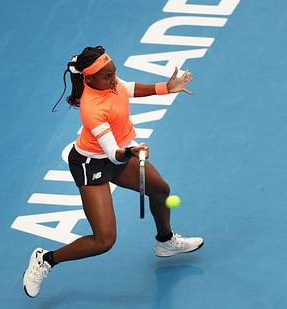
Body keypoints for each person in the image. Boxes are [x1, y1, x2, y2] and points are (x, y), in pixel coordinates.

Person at [23, 46, 204, 298]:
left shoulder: (110, 82)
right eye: (107, 76)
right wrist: (130, 152)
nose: (113, 80)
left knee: (160, 189)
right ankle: (46, 259)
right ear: (89, 79)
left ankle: (165, 241)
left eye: (113, 73)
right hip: (92, 164)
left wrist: (166, 87)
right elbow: (112, 153)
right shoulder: (91, 109)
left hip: (118, 155)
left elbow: (128, 88)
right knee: (104, 240)